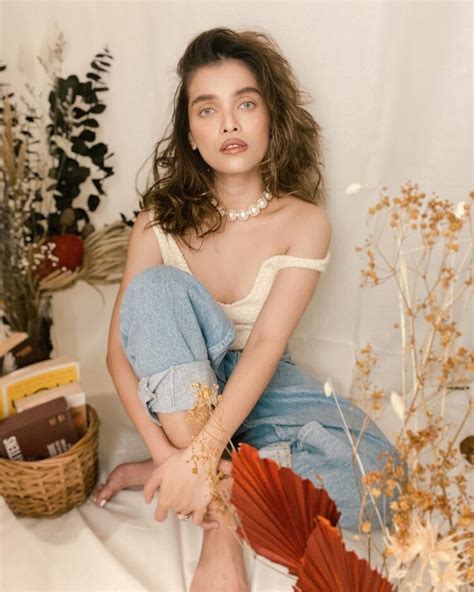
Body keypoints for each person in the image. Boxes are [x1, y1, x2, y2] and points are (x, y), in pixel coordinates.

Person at [94, 27, 398, 592]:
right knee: (155, 291)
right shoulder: (157, 220)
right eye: (208, 109)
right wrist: (167, 452)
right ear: (191, 134)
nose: (229, 124)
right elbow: (117, 356)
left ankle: (211, 471)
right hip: (179, 390)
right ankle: (222, 526)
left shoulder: (305, 221)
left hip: (263, 383)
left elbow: (264, 345)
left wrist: (192, 461)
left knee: (385, 482)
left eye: (246, 104)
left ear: (270, 117)